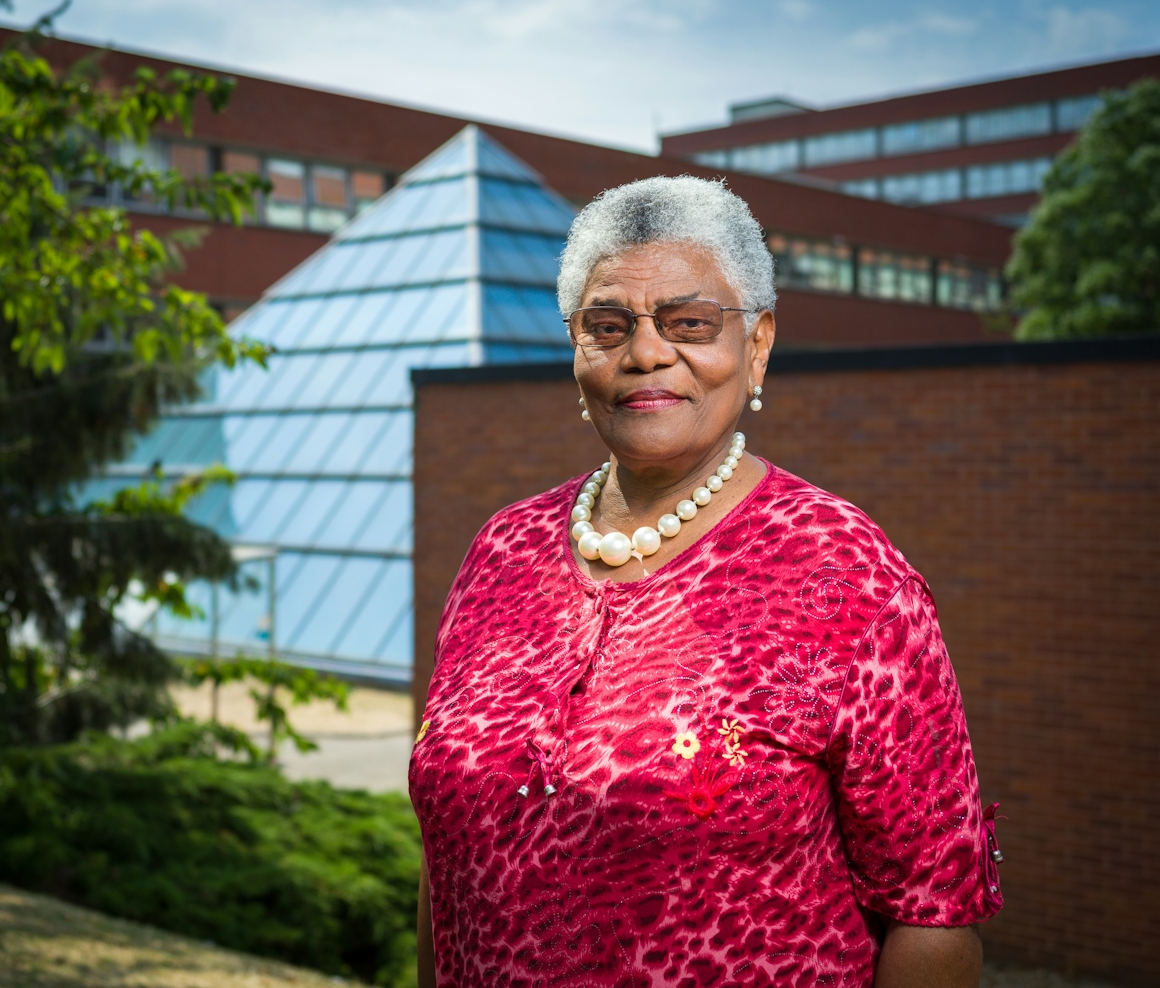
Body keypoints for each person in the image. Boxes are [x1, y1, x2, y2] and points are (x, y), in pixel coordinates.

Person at [409, 176, 1002, 987]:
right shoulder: (501, 550)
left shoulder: (844, 571)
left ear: (756, 345)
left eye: (689, 322)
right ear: (577, 349)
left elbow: (933, 914)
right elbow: (446, 860)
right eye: (607, 325)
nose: (646, 353)